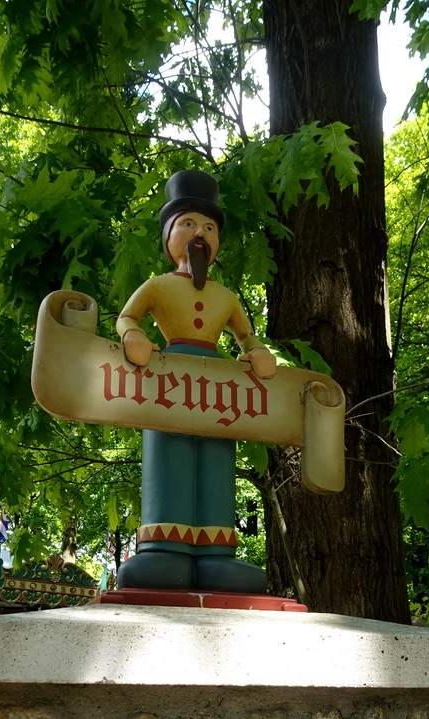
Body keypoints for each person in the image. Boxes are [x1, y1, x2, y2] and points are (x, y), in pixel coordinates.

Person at [115, 170, 276, 593]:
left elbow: (246, 335)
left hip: (218, 383)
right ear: (169, 236)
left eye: (208, 227)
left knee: (217, 458)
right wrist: (133, 335)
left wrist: (255, 351)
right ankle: (165, 551)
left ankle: (215, 554)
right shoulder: (158, 286)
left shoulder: (226, 296)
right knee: (171, 453)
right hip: (168, 376)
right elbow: (127, 316)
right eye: (187, 224)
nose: (199, 233)